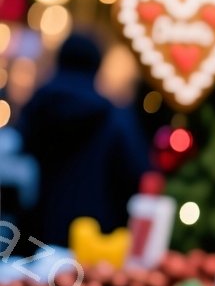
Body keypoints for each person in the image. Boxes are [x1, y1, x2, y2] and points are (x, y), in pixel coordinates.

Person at [16, 31, 147, 245]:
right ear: (97, 66)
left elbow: (22, 156)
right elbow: (136, 172)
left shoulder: (37, 105)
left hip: (37, 232)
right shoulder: (114, 117)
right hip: (95, 238)